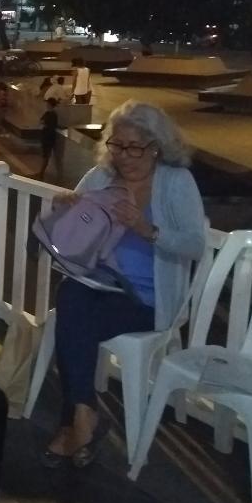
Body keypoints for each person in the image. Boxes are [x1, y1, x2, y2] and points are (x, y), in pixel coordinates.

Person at [41, 100, 205, 468]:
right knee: (73, 299)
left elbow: (195, 244)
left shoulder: (175, 182)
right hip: (99, 285)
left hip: (148, 299)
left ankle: (76, 420)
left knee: (72, 314)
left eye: (134, 147)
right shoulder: (101, 176)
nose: (124, 156)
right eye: (117, 146)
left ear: (156, 146)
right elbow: (73, 223)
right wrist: (65, 207)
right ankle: (83, 416)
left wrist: (148, 230)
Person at [36, 97, 60, 181]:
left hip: (48, 138)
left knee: (46, 156)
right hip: (45, 137)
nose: (46, 105)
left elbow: (49, 126)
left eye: (48, 104)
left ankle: (41, 173)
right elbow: (41, 121)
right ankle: (41, 172)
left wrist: (44, 124)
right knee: (45, 155)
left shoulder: (53, 115)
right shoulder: (48, 113)